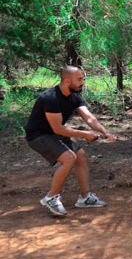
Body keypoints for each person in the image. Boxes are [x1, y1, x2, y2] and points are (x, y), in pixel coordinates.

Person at [25, 66, 117, 216]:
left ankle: (85, 198)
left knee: (81, 157)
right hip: (38, 135)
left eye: (83, 78)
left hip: (54, 133)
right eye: (79, 79)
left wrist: (104, 132)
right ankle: (51, 197)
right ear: (68, 80)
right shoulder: (51, 98)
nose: (82, 82)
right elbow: (58, 128)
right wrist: (84, 134)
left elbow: (89, 118)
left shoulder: (75, 96)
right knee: (69, 158)